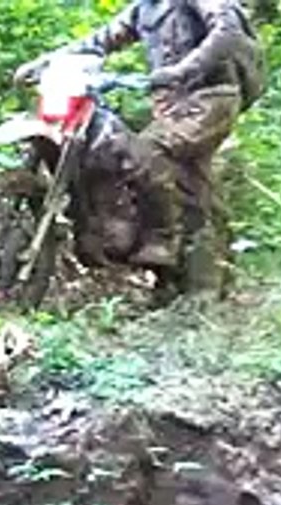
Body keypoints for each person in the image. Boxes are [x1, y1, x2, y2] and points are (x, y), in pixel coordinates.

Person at [15, 0, 264, 294]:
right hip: (172, 103)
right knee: (190, 184)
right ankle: (193, 283)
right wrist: (46, 61)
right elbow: (99, 40)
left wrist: (185, 68)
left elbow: (228, 30)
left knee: (150, 150)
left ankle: (162, 238)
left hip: (210, 98)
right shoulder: (143, 9)